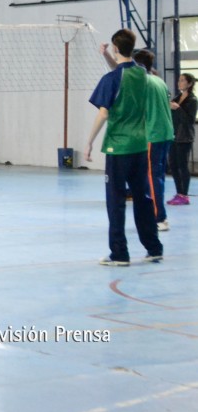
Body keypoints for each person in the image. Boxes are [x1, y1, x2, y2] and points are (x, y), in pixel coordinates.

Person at [84, 29, 163, 266]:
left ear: (116, 48)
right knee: (143, 198)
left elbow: (104, 112)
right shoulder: (143, 74)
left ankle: (119, 254)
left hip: (118, 148)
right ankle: (154, 248)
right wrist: (107, 55)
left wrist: (89, 141)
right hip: (140, 146)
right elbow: (123, 72)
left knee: (116, 202)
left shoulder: (111, 80)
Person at [132, 49, 174, 230]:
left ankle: (159, 218)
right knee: (157, 176)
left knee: (152, 177)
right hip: (166, 134)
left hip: (154, 135)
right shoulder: (159, 81)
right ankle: (156, 213)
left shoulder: (143, 83)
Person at [167, 72, 197, 206]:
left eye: (183, 80)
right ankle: (179, 192)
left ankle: (184, 194)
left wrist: (177, 109)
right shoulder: (177, 97)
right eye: (179, 80)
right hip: (173, 136)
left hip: (184, 137)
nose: (180, 82)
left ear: (189, 83)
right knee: (173, 164)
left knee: (182, 165)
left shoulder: (192, 100)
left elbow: (189, 120)